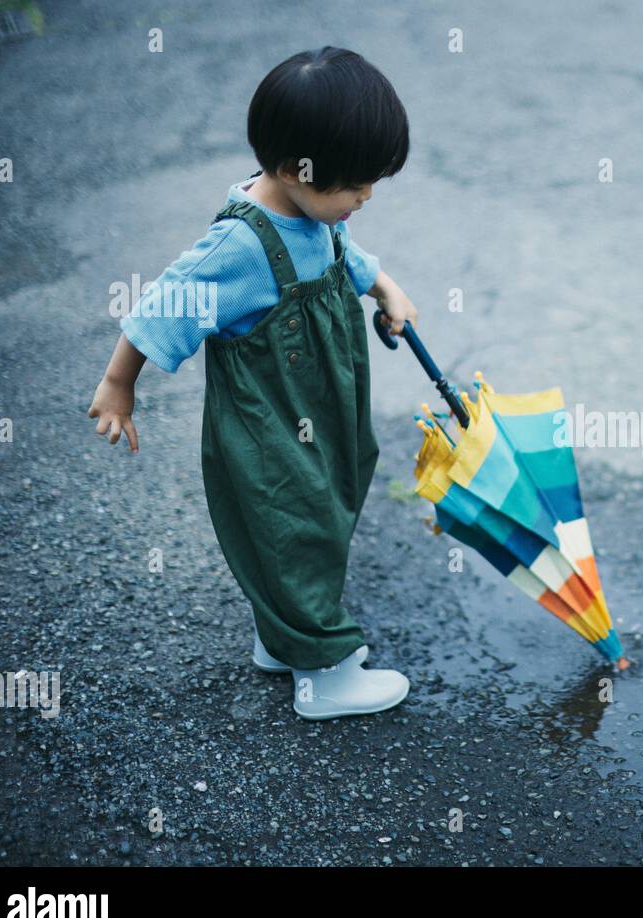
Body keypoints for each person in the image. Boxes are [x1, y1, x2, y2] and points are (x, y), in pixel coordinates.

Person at [87, 47, 416, 720]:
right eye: (354, 185)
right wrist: (120, 384)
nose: (366, 197)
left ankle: (285, 636)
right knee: (298, 522)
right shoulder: (238, 248)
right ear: (299, 171)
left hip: (324, 402)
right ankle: (323, 674)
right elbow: (164, 305)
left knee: (338, 490)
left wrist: (385, 286)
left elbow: (341, 252)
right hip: (272, 418)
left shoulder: (316, 212)